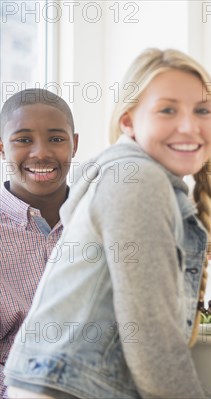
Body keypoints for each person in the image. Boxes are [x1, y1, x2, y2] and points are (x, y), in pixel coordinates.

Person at [3, 48, 211, 398]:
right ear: (129, 121)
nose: (189, 126)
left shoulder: (131, 174)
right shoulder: (138, 179)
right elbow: (152, 340)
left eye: (202, 110)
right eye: (168, 110)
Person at [0, 89, 79, 398]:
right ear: (2, 148)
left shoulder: (104, 223)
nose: (41, 153)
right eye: (23, 140)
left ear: (75, 145)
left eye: (57, 139)